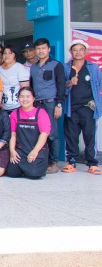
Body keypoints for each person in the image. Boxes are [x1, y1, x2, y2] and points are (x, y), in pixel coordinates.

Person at [63, 40, 102, 174]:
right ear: (71, 52)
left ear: (85, 51)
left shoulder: (93, 67)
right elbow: (61, 87)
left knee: (90, 135)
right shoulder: (66, 68)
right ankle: (71, 162)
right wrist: (70, 83)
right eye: (75, 50)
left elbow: (98, 85)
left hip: (88, 107)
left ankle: (92, 163)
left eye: (81, 49)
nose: (78, 52)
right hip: (71, 107)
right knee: (71, 135)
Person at [29, 37, 65, 174]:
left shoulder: (56, 65)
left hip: (51, 103)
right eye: (38, 48)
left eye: (43, 48)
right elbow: (31, 86)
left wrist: (59, 104)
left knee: (52, 133)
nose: (41, 51)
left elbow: (61, 86)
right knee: (39, 133)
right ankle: (43, 161)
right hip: (37, 104)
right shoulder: (33, 67)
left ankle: (54, 163)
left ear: (49, 49)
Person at [8, 87, 50, 179]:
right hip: (21, 151)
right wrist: (12, 151)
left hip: (37, 151)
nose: (25, 99)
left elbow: (44, 134)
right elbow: (13, 134)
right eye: (22, 96)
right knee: (12, 173)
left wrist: (35, 151)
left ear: (33, 98)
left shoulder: (41, 113)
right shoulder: (15, 114)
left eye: (28, 96)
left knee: (34, 174)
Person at [0, 46, 30, 111]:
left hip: (18, 106)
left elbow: (25, 89)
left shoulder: (19, 68)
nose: (7, 55)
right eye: (5, 53)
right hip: (3, 107)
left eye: (10, 53)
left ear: (15, 56)